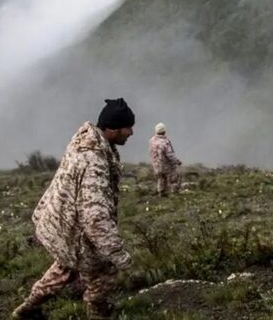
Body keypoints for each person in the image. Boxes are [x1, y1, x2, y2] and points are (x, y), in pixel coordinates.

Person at [13, 98, 136, 320]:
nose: (131, 133)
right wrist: (119, 255)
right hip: (76, 232)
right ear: (113, 129)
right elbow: (95, 217)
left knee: (64, 269)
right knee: (103, 275)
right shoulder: (94, 161)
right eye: (128, 127)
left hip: (63, 225)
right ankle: (98, 314)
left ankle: (28, 309)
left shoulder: (85, 142)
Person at [148, 122, 182, 196]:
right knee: (173, 177)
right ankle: (174, 193)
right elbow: (169, 154)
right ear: (164, 131)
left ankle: (161, 192)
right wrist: (177, 161)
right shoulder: (165, 142)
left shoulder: (151, 141)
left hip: (156, 164)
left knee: (161, 178)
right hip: (165, 164)